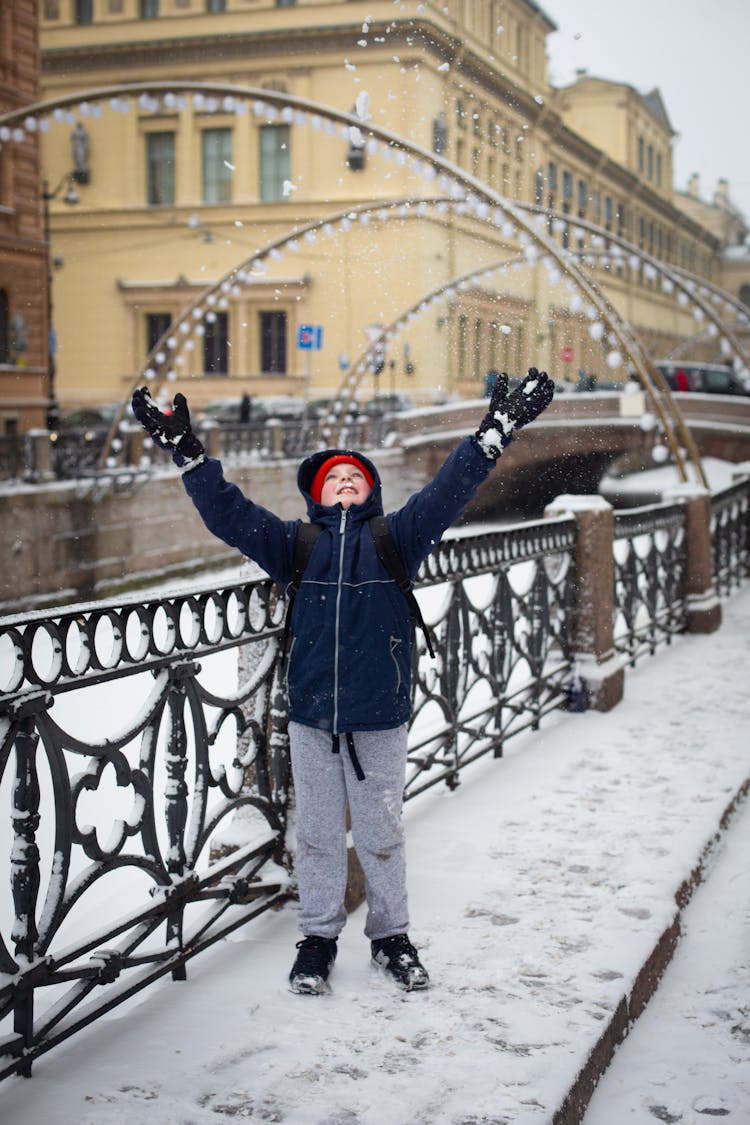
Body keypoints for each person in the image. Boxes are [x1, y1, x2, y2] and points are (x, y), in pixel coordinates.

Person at [131, 368, 555, 994]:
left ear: (372, 489)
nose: (348, 485)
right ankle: (317, 939)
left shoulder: (396, 537)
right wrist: (189, 454)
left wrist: (495, 430)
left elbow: (449, 490)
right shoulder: (294, 544)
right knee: (320, 835)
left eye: (357, 478)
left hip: (379, 711)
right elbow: (229, 515)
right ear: (319, 495)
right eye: (336, 481)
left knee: (383, 832)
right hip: (312, 716)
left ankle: (392, 936)